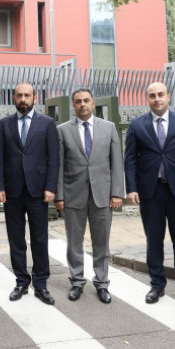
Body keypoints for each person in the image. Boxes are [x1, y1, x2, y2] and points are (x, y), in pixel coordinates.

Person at [124, 82, 175, 308]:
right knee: (154, 240)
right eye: (152, 96)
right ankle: (157, 285)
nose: (157, 99)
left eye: (160, 94)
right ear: (147, 99)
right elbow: (130, 159)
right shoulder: (137, 125)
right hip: (151, 191)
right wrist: (131, 188)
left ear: (168, 96)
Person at [56, 88, 124, 304]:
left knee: (101, 243)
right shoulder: (62, 131)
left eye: (86, 100)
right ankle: (77, 282)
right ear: (73, 105)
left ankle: (102, 284)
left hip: (102, 195)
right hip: (73, 195)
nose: (82, 104)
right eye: (78, 101)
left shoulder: (109, 128)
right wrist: (59, 196)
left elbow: (116, 162)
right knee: (74, 243)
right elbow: (58, 166)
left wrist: (117, 193)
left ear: (93, 103)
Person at [0, 83, 59, 305]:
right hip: (12, 191)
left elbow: (54, 158)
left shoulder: (47, 124)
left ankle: (40, 284)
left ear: (34, 98)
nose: (23, 99)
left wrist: (51, 187)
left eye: (27, 95)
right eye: (19, 95)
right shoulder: (4, 124)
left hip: (38, 191)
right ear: (14, 98)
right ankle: (21, 281)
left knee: (39, 238)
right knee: (16, 239)